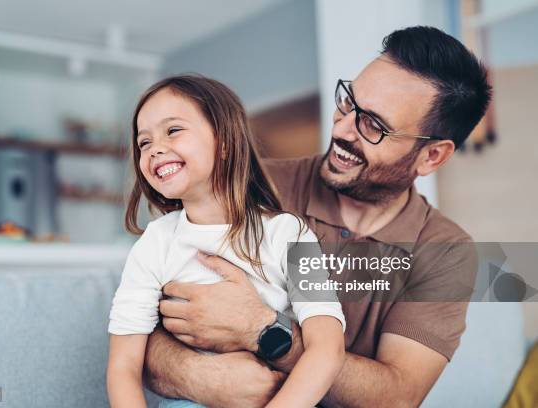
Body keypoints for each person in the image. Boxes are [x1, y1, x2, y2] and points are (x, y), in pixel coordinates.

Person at [143, 26, 492, 407]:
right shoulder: (253, 187)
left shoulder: (444, 251)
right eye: (348, 103)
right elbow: (142, 335)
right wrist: (199, 377)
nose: (341, 129)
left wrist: (263, 331)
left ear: (432, 156)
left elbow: (396, 397)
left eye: (373, 125)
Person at [106, 75, 346, 408]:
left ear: (225, 143)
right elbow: (123, 367)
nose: (155, 148)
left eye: (173, 130)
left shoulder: (291, 234)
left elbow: (327, 349)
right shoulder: (153, 244)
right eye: (144, 142)